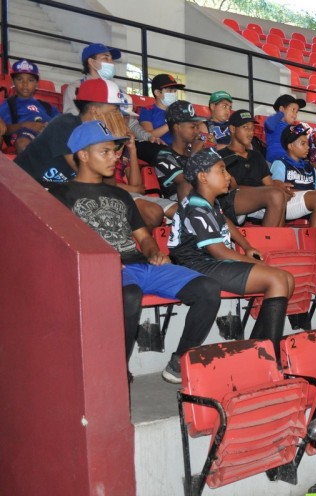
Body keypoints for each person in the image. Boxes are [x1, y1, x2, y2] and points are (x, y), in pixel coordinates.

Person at [50, 120, 221, 384]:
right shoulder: (60, 194)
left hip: (140, 265)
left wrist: (154, 252)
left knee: (208, 288)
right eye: (105, 152)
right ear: (83, 155)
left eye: (115, 151)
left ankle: (179, 361)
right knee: (129, 294)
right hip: (105, 271)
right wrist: (99, 262)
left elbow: (143, 236)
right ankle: (118, 372)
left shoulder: (119, 195)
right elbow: (62, 243)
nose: (114, 157)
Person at [168, 147, 295, 359]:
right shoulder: (197, 207)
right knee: (278, 279)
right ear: (203, 177)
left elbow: (224, 220)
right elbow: (219, 252)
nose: (228, 176)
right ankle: (269, 357)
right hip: (197, 266)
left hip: (211, 262)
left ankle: (257, 350)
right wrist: (254, 263)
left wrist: (246, 245)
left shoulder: (208, 201)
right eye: (222, 170)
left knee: (287, 279)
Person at [16, 78, 125, 185]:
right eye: (115, 110)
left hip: (49, 190)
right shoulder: (65, 124)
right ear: (94, 110)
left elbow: (109, 184)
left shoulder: (100, 133)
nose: (118, 115)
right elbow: (88, 176)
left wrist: (114, 150)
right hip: (20, 184)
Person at [217, 109, 290, 227]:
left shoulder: (256, 155)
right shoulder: (221, 156)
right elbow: (229, 187)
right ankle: (267, 238)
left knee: (280, 195)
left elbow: (269, 184)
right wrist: (264, 190)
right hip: (232, 200)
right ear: (232, 129)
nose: (250, 132)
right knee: (276, 195)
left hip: (260, 198)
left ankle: (274, 237)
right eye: (245, 127)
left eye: (252, 128)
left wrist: (277, 187)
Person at [269, 123, 316, 227]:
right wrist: (312, 193)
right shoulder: (280, 163)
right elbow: (277, 188)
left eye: (307, 143)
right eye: (303, 144)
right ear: (290, 146)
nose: (308, 147)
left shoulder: (309, 166)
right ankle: (313, 236)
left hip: (309, 201)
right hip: (287, 203)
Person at [0, 59, 59, 153]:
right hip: (23, 135)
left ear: (36, 84)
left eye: (30, 80)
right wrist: (25, 125)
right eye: (19, 79)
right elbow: (5, 129)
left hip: (48, 136)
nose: (25, 84)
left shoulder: (47, 106)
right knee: (23, 143)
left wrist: (48, 128)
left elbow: (61, 125)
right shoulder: (8, 104)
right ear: (12, 81)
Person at [153, 100, 205, 201]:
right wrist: (194, 155)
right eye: (192, 127)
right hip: (178, 204)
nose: (197, 131)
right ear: (177, 127)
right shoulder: (164, 156)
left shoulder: (195, 150)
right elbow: (187, 182)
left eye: (197, 126)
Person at [139, 74, 186, 146]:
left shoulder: (180, 110)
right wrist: (171, 123)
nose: (173, 94)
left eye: (174, 91)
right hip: (158, 149)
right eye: (169, 90)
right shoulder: (147, 111)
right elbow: (148, 136)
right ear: (157, 93)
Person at [265, 94, 305, 163]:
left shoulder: (293, 128)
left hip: (290, 161)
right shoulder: (275, 123)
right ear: (281, 109)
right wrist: (281, 114)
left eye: (296, 112)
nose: (295, 115)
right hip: (275, 161)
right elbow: (269, 124)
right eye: (293, 110)